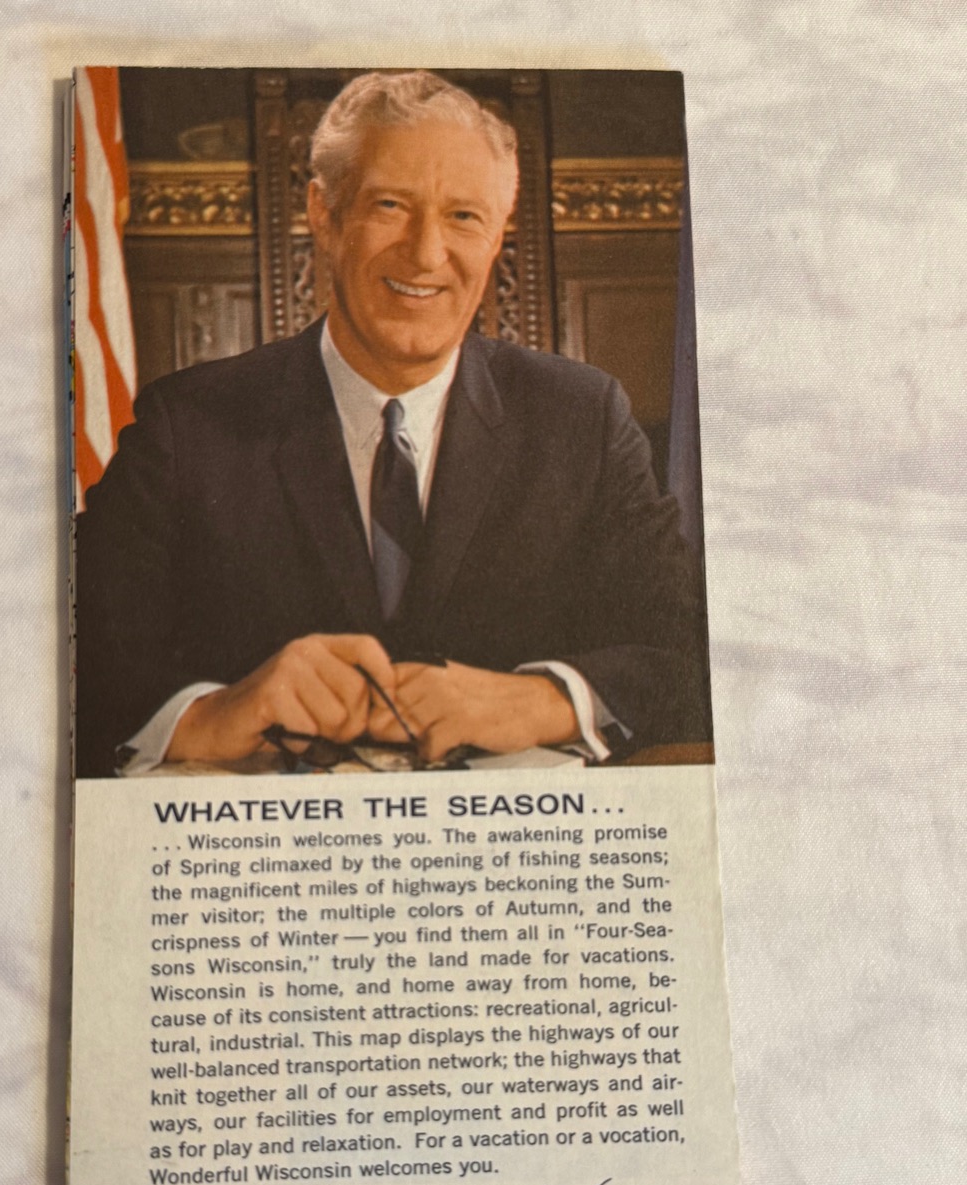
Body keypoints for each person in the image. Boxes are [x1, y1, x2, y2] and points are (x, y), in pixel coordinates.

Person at [75, 70, 710, 779]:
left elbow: (687, 652)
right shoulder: (186, 426)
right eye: (390, 205)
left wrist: (544, 701)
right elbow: (72, 658)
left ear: (498, 235)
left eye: (463, 216)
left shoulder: (582, 418)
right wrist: (213, 715)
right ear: (324, 214)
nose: (426, 253)